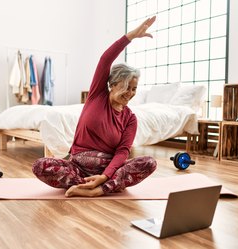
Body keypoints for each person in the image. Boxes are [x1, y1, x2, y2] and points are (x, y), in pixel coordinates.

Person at [32, 16, 157, 197]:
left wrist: (104, 177)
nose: (130, 93)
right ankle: (88, 185)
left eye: (134, 89)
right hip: (77, 168)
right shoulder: (97, 95)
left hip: (108, 172)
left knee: (149, 162)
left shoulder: (130, 118)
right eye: (126, 87)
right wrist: (130, 37)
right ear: (112, 84)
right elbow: (105, 59)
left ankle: (98, 190)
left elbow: (123, 152)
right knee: (40, 165)